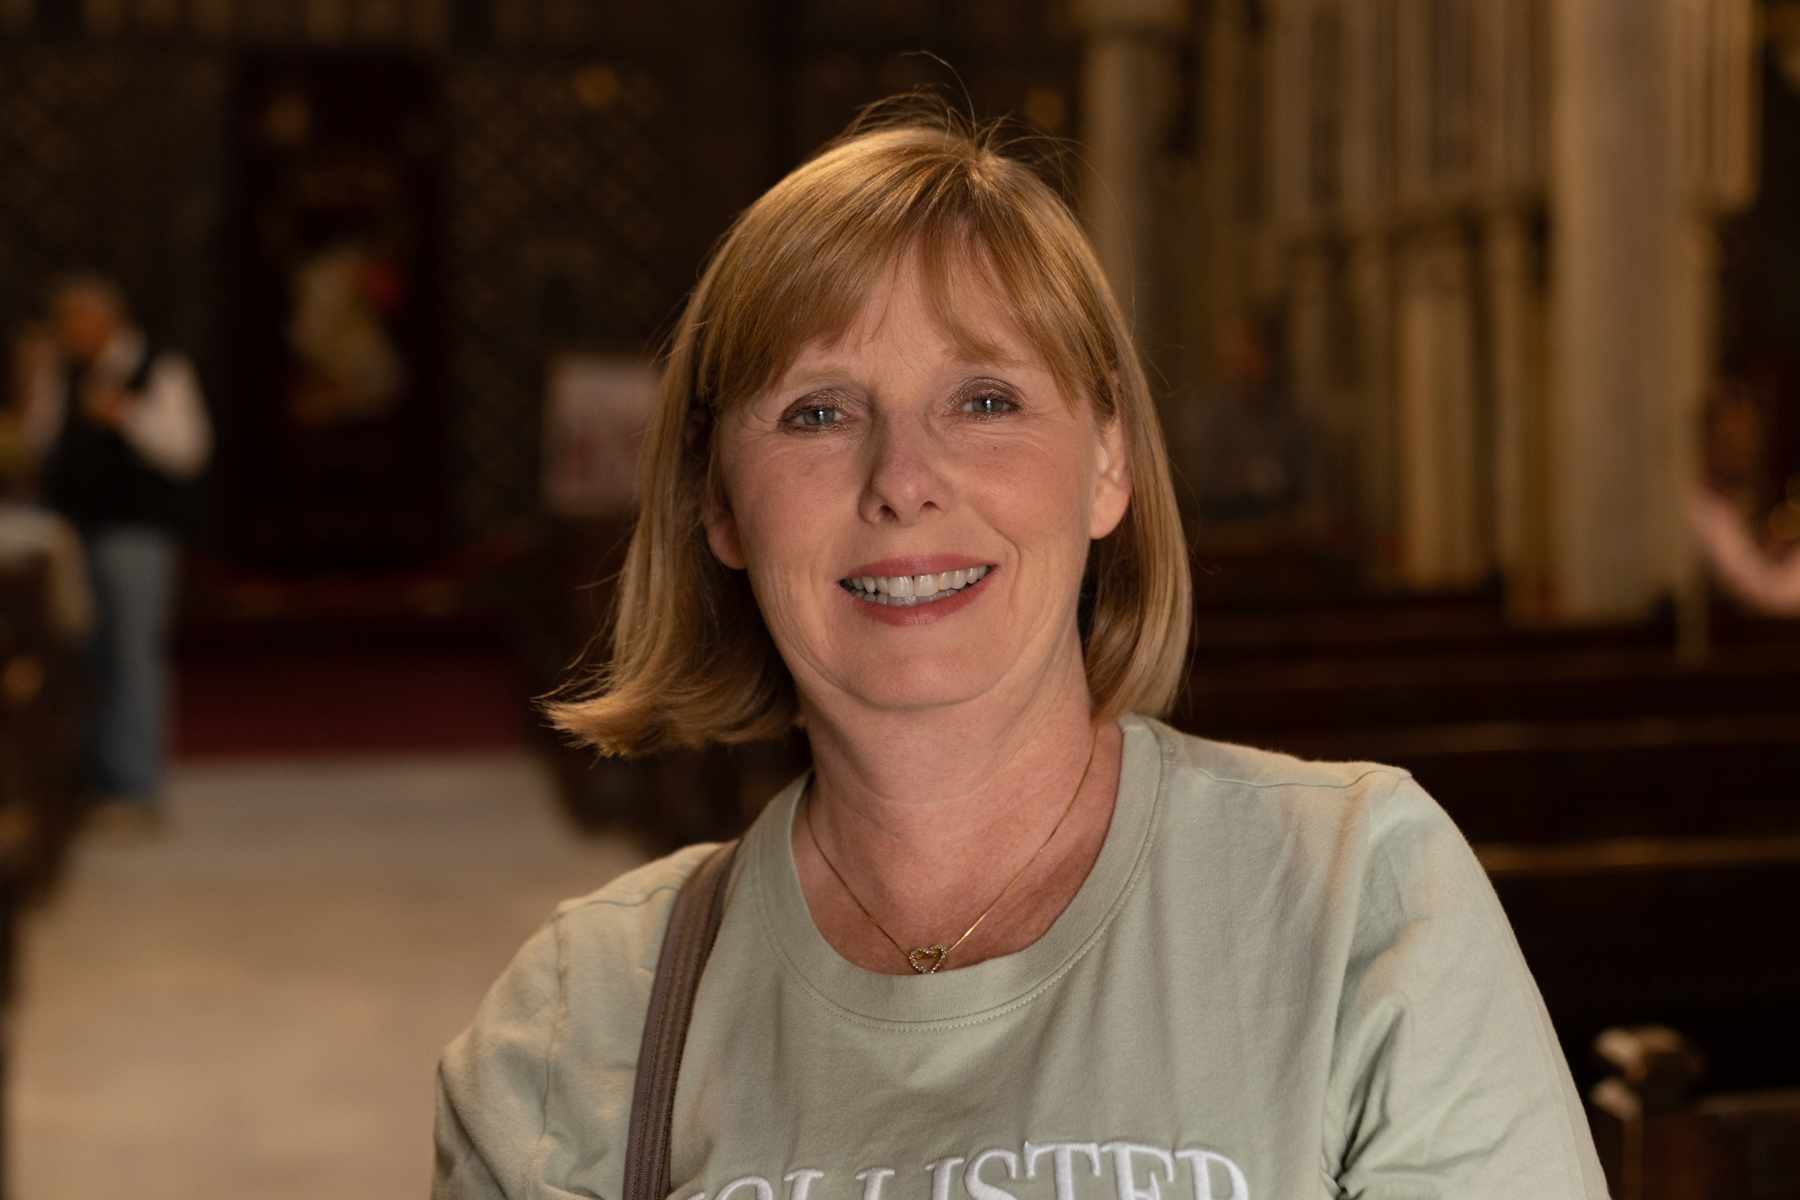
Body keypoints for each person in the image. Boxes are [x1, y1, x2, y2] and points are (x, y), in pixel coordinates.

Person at [434, 114, 1606, 1199]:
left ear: (1108, 461)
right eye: (816, 412)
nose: (902, 482)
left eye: (985, 399)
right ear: (719, 504)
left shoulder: (1360, 895)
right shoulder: (581, 1021)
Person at [20, 274, 211, 825]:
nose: (70, 334)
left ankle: (135, 786)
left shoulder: (158, 364)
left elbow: (188, 450)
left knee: (133, 653)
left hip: (136, 533)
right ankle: (95, 778)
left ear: (108, 321)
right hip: (76, 531)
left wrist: (128, 414)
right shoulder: (66, 369)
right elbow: (39, 445)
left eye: (78, 323)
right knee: (89, 654)